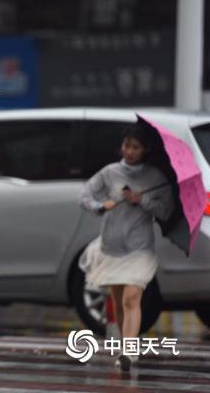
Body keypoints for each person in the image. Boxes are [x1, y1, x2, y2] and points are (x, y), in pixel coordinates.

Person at [79, 123, 174, 372]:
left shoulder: (156, 178)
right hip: (111, 246)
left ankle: (129, 353)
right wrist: (101, 206)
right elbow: (86, 196)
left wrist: (143, 199)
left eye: (136, 147)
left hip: (139, 248)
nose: (129, 151)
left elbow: (166, 210)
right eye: (126, 145)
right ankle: (125, 346)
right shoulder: (109, 173)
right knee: (120, 302)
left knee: (133, 298)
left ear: (145, 149)